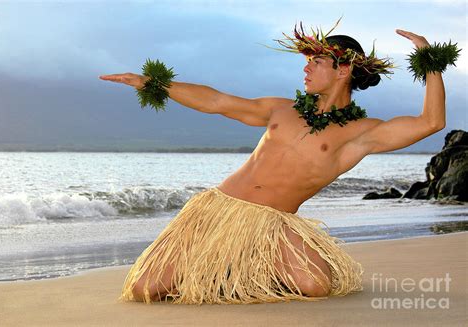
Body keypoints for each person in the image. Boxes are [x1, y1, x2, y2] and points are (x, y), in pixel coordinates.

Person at [99, 24, 456, 305]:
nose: (306, 67)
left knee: (315, 285)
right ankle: (224, 267)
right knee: (145, 289)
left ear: (343, 68)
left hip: (274, 225)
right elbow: (217, 101)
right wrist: (154, 83)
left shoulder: (360, 133)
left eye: (316, 61)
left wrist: (428, 59)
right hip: (218, 211)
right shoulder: (280, 109)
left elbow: (430, 122)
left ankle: (244, 267)